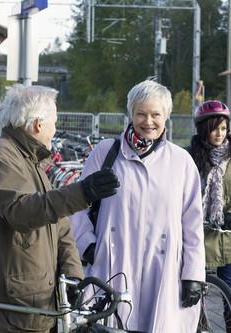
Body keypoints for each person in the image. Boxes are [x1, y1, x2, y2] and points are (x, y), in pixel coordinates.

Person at [0, 84, 120, 333]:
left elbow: (59, 225)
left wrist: (73, 275)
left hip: (34, 303)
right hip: (12, 307)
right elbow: (21, 211)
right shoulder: (2, 158)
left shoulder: (30, 160)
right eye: (54, 122)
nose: (55, 130)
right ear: (38, 124)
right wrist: (82, 192)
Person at [70, 80, 206, 333]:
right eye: (141, 114)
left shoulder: (181, 162)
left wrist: (193, 274)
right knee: (111, 326)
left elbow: (193, 223)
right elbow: (78, 203)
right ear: (131, 114)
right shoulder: (106, 153)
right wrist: (87, 244)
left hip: (164, 269)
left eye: (156, 114)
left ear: (166, 116)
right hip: (112, 263)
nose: (148, 122)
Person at [188, 100, 231, 326]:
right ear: (203, 129)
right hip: (199, 231)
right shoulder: (190, 158)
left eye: (224, 128)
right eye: (215, 128)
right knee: (196, 291)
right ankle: (199, 328)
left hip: (228, 233)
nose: (219, 133)